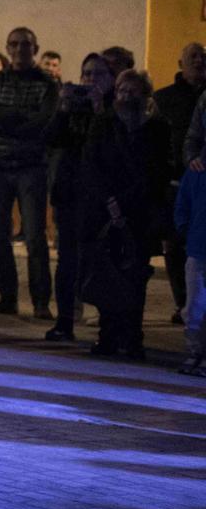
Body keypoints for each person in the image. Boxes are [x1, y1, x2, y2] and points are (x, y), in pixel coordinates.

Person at [74, 70, 170, 359]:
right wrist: (110, 203)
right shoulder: (103, 123)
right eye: (121, 91)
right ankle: (108, 335)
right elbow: (92, 163)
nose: (126, 97)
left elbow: (156, 171)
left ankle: (132, 338)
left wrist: (126, 203)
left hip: (138, 212)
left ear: (145, 95)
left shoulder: (157, 128)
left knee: (135, 275)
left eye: (133, 91)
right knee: (107, 273)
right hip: (104, 211)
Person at [0, 27, 58, 319]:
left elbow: (43, 122)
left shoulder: (47, 84)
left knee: (35, 237)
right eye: (14, 44)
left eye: (26, 44)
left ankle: (40, 301)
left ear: (35, 48)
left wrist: (6, 117)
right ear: (7, 48)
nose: (20, 49)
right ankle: (7, 297)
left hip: (31, 167)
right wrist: (20, 116)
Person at [45, 53, 114, 342]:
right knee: (68, 260)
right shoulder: (72, 107)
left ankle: (107, 326)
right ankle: (65, 320)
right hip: (70, 192)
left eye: (97, 74)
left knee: (98, 260)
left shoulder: (115, 108)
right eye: (86, 74)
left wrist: (99, 110)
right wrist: (62, 108)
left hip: (99, 196)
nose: (90, 80)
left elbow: (110, 147)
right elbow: (51, 138)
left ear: (110, 79)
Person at [153, 42, 206, 323]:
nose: (199, 61)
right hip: (176, 182)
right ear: (180, 63)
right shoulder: (164, 99)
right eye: (193, 57)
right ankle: (182, 301)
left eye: (202, 57)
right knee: (174, 245)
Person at [174, 157, 206, 374]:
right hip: (197, 245)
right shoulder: (196, 172)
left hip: (196, 242)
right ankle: (195, 351)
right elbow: (182, 203)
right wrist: (184, 228)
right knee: (194, 305)